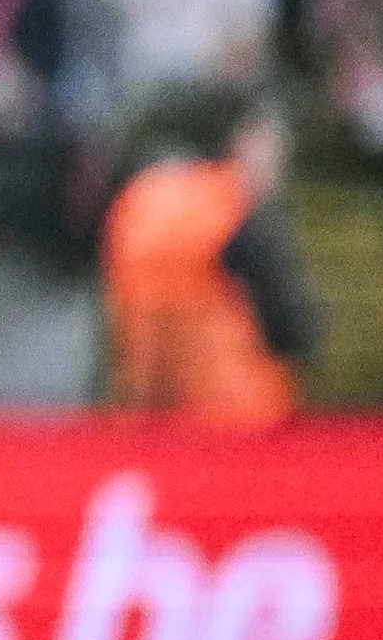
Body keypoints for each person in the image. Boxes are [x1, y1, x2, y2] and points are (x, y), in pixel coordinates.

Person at [102, 88, 314, 428]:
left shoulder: (138, 203)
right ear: (242, 141)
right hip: (239, 412)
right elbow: (289, 324)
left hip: (151, 410)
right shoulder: (230, 210)